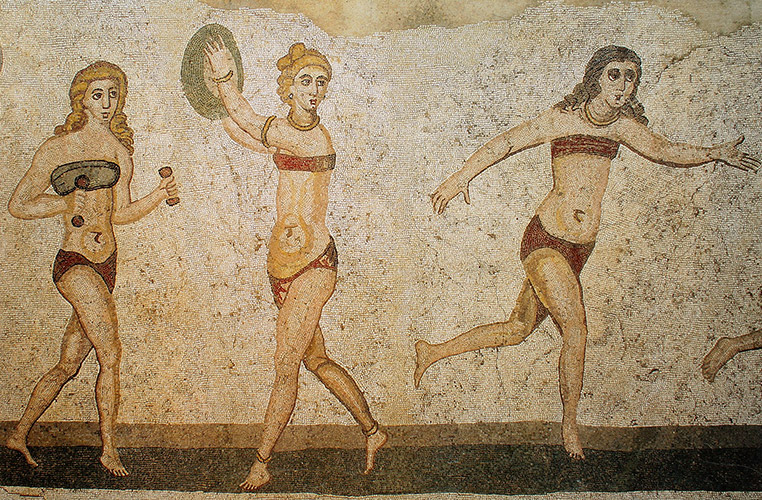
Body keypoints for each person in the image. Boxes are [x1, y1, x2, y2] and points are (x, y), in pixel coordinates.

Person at [417, 45, 759, 460]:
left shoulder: (623, 127)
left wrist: (715, 154)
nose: (623, 84)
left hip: (581, 248)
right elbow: (506, 143)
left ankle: (433, 351)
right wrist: (460, 178)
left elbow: (665, 151)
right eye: (614, 74)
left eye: (630, 76)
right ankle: (570, 426)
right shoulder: (563, 119)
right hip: (545, 240)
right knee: (576, 327)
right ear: (595, 77)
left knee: (518, 329)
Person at [204, 39, 387, 490]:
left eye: (321, 82)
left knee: (286, 364)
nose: (315, 89)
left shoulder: (309, 135)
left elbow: (246, 119)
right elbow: (239, 128)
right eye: (306, 81)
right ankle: (374, 430)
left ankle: (261, 460)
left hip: (314, 265)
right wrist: (212, 94)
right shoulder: (287, 136)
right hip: (281, 270)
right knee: (316, 359)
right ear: (287, 89)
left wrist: (225, 79)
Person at [6, 61, 178, 476]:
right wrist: (63, 203)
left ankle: (17, 433)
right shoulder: (56, 148)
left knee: (69, 364)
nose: (106, 102)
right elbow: (18, 204)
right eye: (98, 94)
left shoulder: (120, 152)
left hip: (107, 264)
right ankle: (108, 449)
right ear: (81, 98)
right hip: (75, 262)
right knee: (112, 354)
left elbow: (120, 214)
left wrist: (158, 195)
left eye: (114, 94)